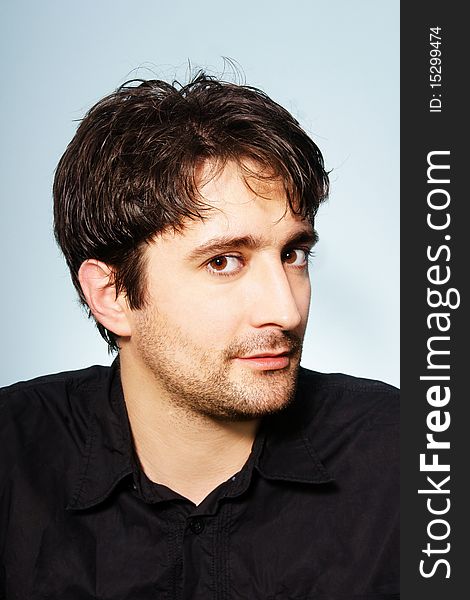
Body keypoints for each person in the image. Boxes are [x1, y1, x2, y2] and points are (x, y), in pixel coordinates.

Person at [0, 73, 399, 599]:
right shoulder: (13, 457)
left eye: (293, 254)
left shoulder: (409, 458)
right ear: (113, 294)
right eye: (223, 262)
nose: (285, 308)